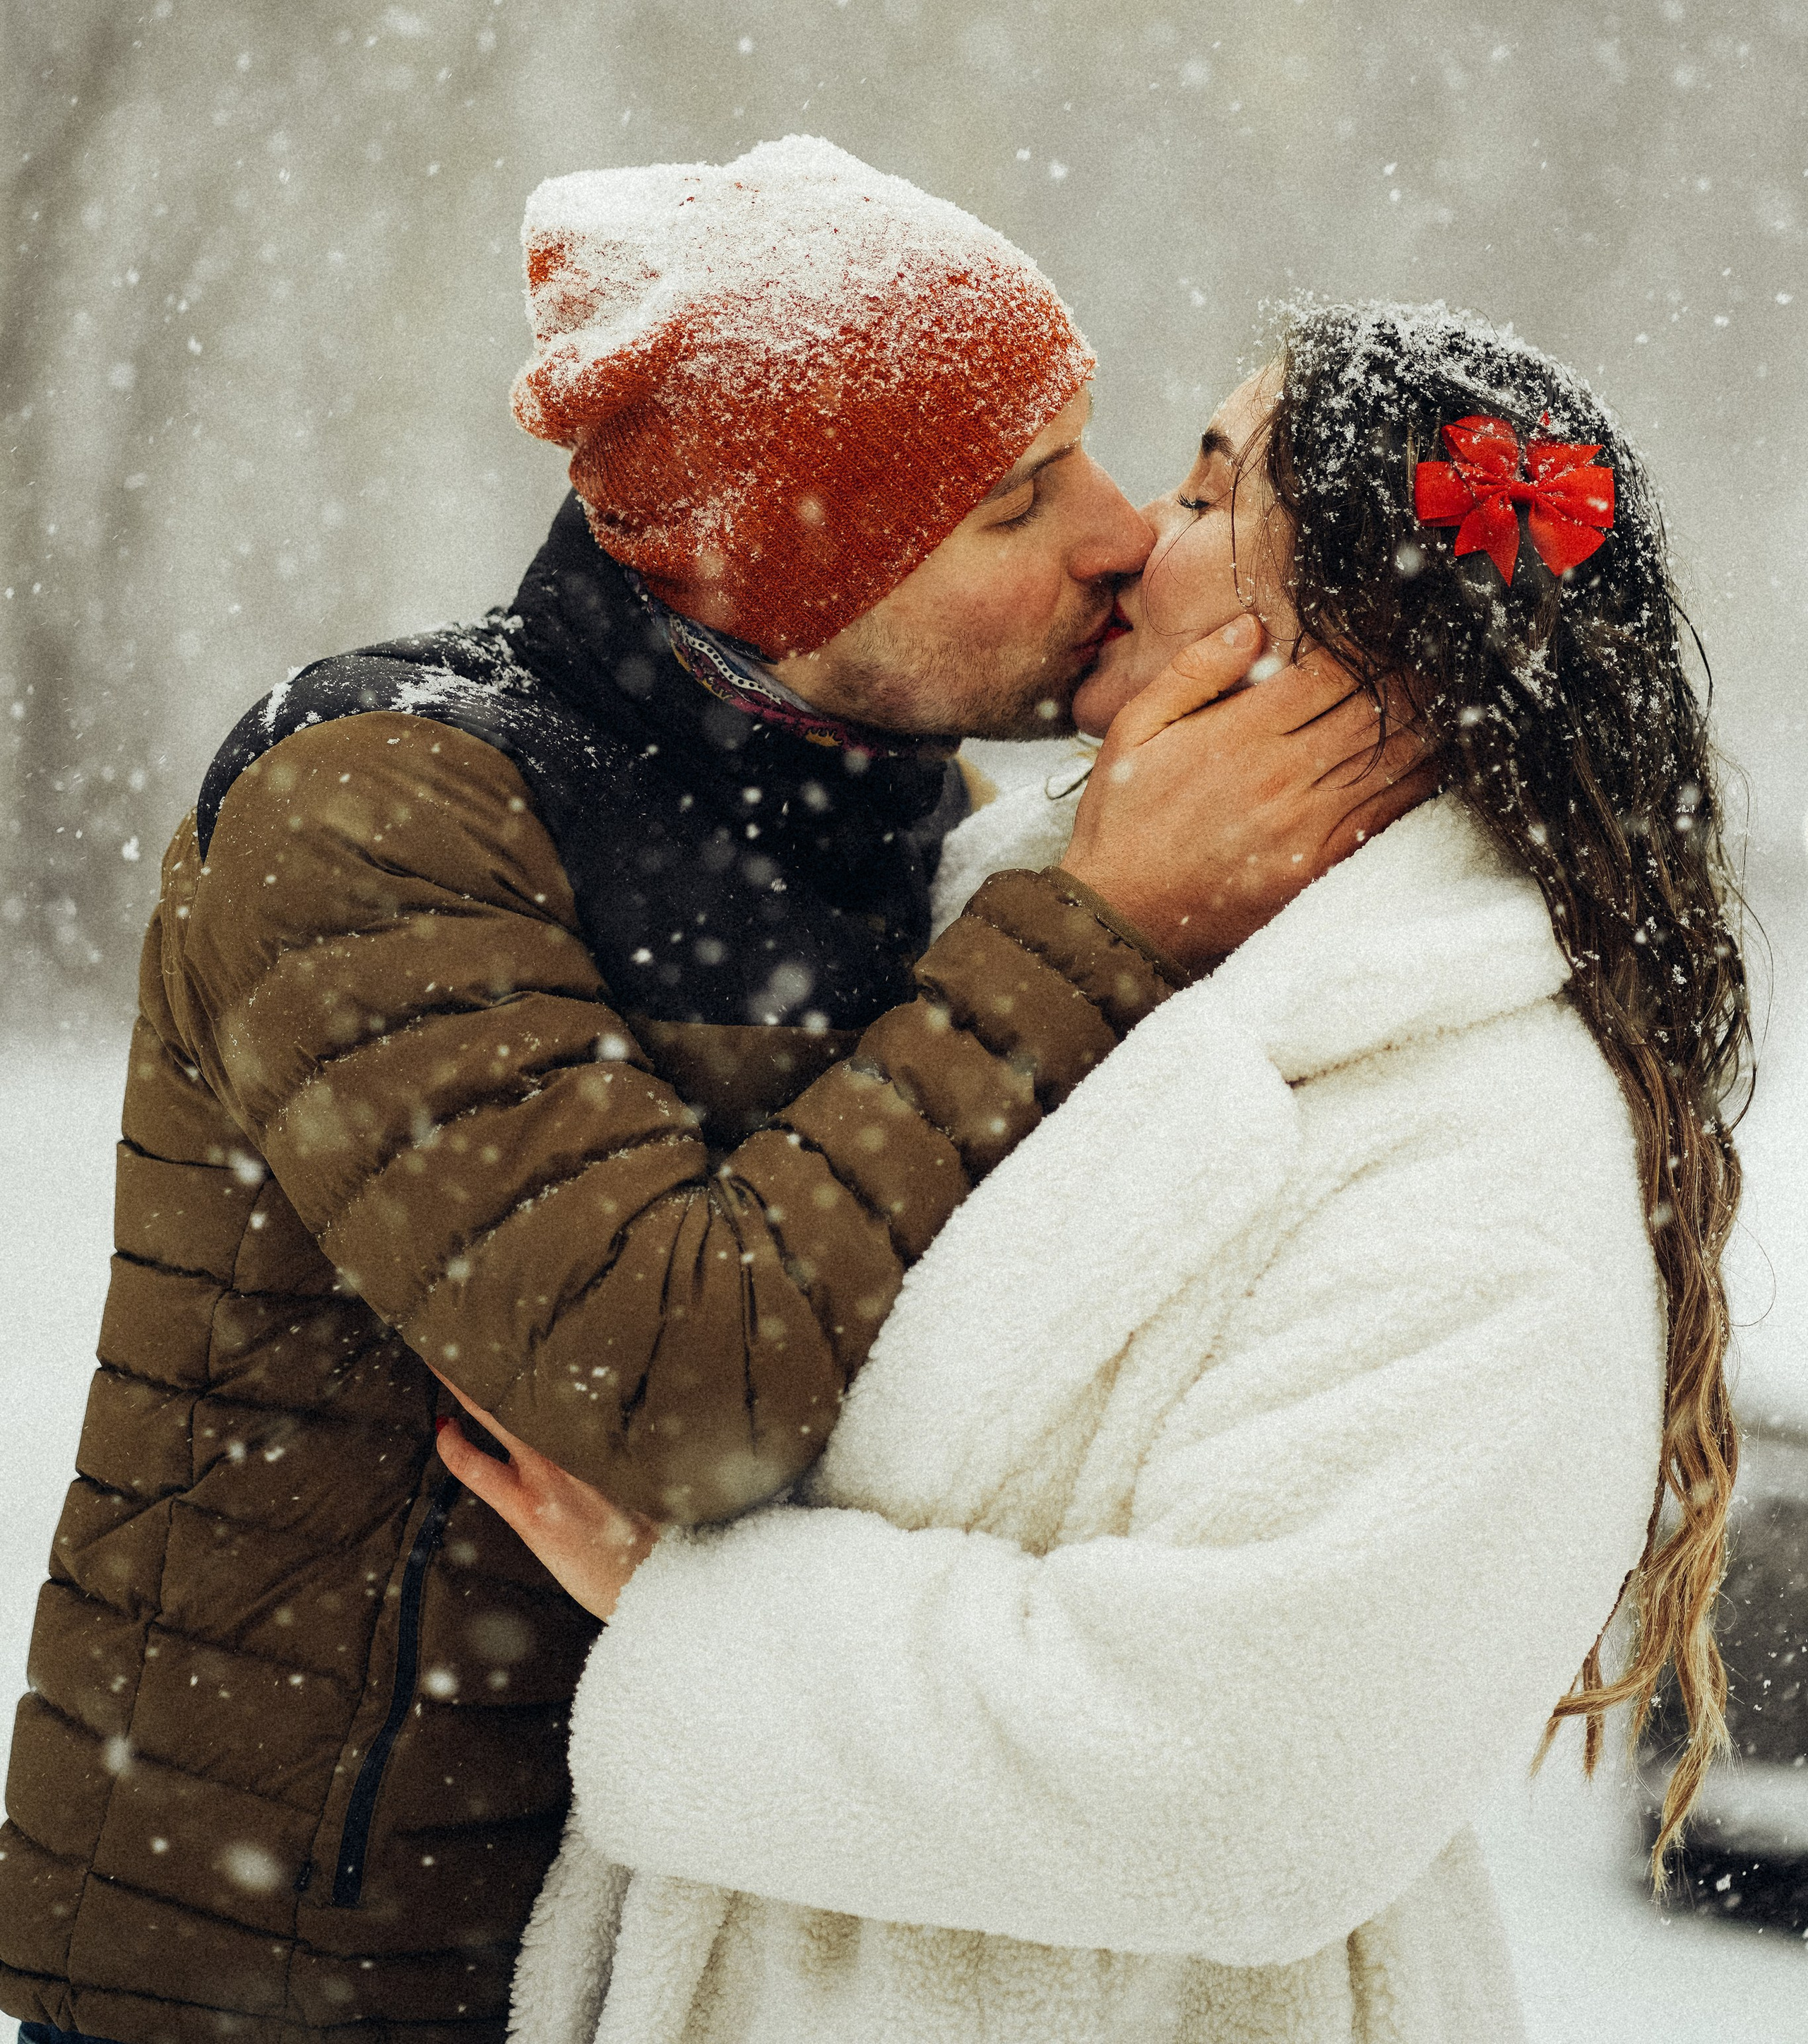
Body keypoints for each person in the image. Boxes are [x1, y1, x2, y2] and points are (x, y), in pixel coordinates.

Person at [0, 143, 1419, 2044]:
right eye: (1019, 497)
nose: (1119, 533)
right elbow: (677, 1403)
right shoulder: (376, 805)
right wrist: (1097, 924)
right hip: (294, 1982)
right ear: (777, 563)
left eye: (1088, 450)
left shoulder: (934, 836)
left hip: (670, 1955)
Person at [445, 299, 1750, 2044]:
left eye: (1214, 497)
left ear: (1380, 645)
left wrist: (690, 1605)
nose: (1131, 534)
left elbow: (1254, 1782)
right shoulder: (1012, 927)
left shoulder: (1479, 1147)